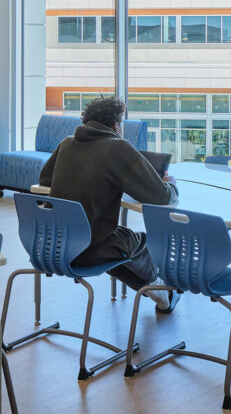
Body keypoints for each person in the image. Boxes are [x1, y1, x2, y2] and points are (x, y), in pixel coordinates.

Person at [38, 96, 180, 311]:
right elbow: (161, 197)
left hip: (52, 244)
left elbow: (45, 180)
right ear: (116, 125)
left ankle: (160, 292)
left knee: (117, 244)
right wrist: (171, 185)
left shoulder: (67, 143)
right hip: (89, 250)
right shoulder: (118, 147)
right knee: (136, 242)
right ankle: (163, 292)